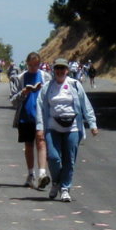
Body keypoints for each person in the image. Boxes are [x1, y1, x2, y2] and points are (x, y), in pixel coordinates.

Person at [36, 58, 98, 202]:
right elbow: (40, 107)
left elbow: (85, 105)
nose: (59, 71)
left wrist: (92, 124)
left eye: (62, 69)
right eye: (57, 68)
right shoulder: (47, 87)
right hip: (53, 127)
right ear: (53, 70)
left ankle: (65, 188)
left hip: (73, 127)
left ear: (67, 70)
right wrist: (40, 127)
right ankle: (56, 183)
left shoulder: (75, 85)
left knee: (69, 160)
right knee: (53, 157)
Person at [10, 52, 52, 189]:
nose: (33, 68)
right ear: (27, 64)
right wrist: (23, 92)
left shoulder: (45, 77)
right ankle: (30, 174)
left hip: (41, 116)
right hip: (25, 116)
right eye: (31, 65)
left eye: (36, 65)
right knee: (28, 145)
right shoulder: (20, 78)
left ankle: (42, 174)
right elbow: (13, 101)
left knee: (41, 142)